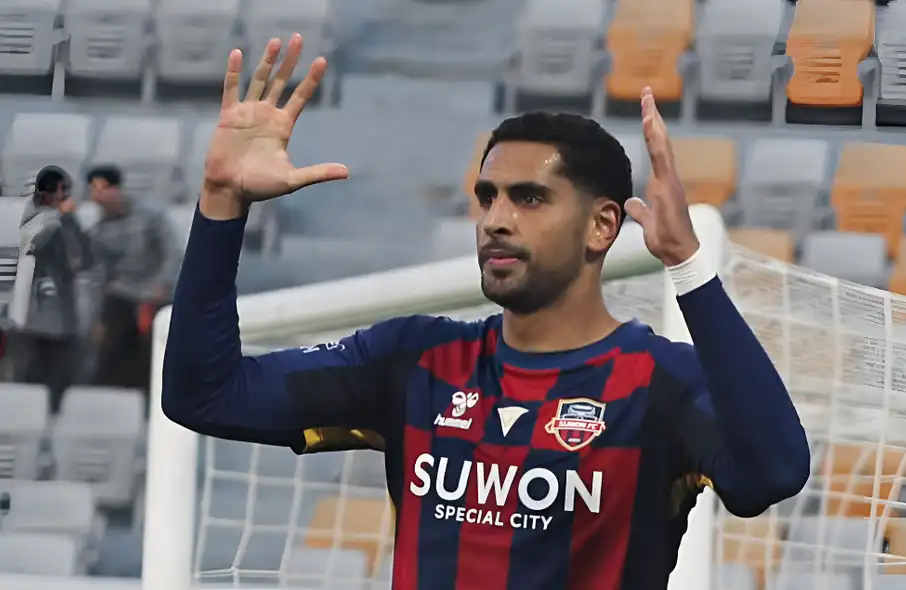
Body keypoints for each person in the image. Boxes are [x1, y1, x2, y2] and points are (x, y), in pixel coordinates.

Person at [161, 36, 811, 590]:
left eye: (529, 198)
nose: (495, 219)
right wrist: (221, 201)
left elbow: (772, 475)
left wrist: (689, 268)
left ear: (602, 225)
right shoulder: (414, 361)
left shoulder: (661, 383)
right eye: (487, 196)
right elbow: (205, 397)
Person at [87, 165, 181, 394]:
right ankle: (113, 397)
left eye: (104, 188)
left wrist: (162, 284)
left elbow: (172, 254)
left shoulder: (150, 218)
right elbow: (99, 276)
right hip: (122, 293)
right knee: (112, 340)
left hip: (157, 291)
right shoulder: (97, 233)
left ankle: (154, 395)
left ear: (116, 189)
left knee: (154, 342)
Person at [7, 165, 92, 411]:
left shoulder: (65, 223)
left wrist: (68, 220)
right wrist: (62, 218)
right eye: (61, 191)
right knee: (26, 384)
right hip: (31, 317)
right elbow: (32, 244)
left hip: (59, 319)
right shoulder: (39, 220)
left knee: (56, 386)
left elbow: (82, 260)